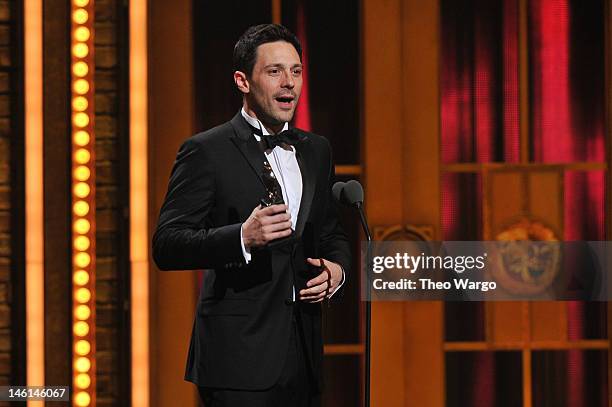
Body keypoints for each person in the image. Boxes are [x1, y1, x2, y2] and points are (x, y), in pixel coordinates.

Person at [152, 24, 351, 406]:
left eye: (295, 71)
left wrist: (337, 271)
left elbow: (331, 234)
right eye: (274, 71)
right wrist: (242, 237)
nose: (289, 83)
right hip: (237, 358)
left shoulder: (316, 150)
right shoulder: (206, 151)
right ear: (242, 80)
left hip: (304, 356)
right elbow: (168, 244)